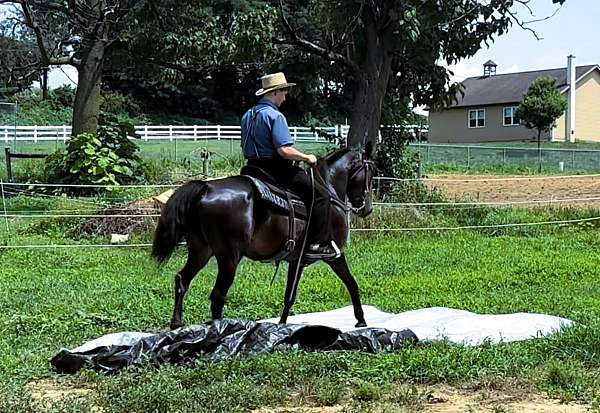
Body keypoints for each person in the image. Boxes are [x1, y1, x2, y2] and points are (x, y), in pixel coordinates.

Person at [241, 72, 338, 259]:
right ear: (275, 92)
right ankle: (317, 245)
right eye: (284, 91)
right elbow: (284, 151)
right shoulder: (275, 116)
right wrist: (306, 157)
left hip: (252, 168)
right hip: (275, 170)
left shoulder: (248, 115)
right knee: (321, 196)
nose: (286, 96)